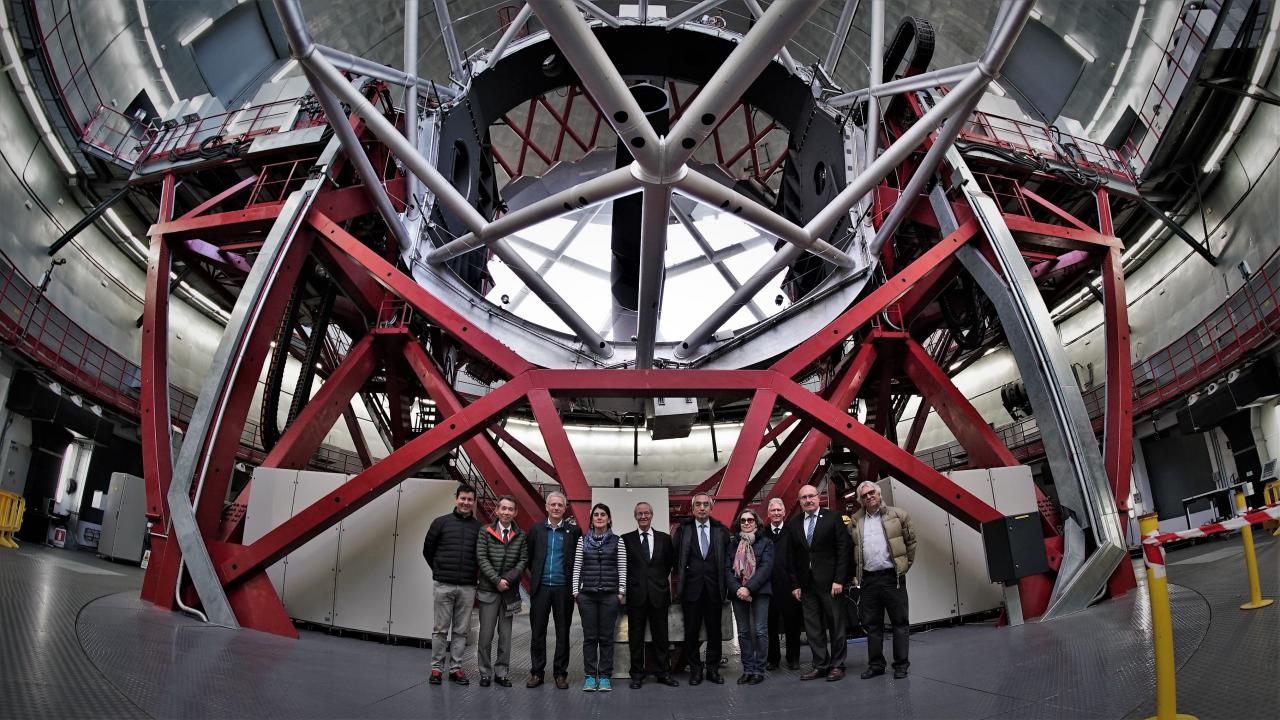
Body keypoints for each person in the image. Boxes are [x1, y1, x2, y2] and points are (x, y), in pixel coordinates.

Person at [849, 480, 917, 680]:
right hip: (869, 580)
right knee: (873, 625)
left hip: (892, 578)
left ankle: (901, 664)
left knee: (900, 622)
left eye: (872, 493)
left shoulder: (899, 515)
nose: (869, 496)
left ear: (879, 494)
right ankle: (876, 664)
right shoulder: (856, 521)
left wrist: (904, 567)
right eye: (864, 495)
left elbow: (911, 543)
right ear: (860, 500)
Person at [789, 484, 852, 682]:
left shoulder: (833, 518)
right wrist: (795, 584)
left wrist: (839, 580)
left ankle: (837, 665)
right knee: (813, 629)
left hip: (831, 584)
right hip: (807, 586)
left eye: (811, 496)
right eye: (803, 498)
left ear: (818, 497)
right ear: (799, 502)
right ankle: (820, 665)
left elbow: (844, 550)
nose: (808, 500)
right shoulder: (794, 524)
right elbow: (791, 557)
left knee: (836, 626)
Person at [422, 483, 482, 685]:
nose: (466, 503)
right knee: (440, 629)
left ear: (474, 502)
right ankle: (436, 669)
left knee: (460, 630)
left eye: (470, 499)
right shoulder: (440, 523)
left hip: (467, 587)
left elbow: (481, 557)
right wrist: (439, 570)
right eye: (463, 498)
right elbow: (427, 550)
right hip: (443, 585)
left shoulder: (479, 529)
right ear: (456, 499)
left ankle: (456, 668)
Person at [526, 490, 582, 690]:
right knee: (537, 632)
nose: (556, 508)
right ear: (546, 507)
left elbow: (579, 560)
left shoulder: (574, 532)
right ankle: (536, 673)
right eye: (553, 504)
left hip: (563, 589)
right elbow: (528, 557)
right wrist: (535, 579)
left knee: (563, 632)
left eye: (560, 505)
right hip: (541, 588)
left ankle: (560, 674)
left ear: (565, 508)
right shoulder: (536, 530)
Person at [621, 502, 680, 688]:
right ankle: (637, 674)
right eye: (639, 513)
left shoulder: (664, 539)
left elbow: (671, 563)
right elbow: (624, 566)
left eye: (646, 513)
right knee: (636, 637)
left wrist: (659, 580)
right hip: (636, 595)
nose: (643, 516)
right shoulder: (626, 539)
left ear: (652, 515)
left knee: (661, 637)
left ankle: (663, 673)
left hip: (659, 594)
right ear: (635, 516)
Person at [674, 492, 730, 685]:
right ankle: (695, 671)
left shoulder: (721, 531)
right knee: (691, 632)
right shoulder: (683, 531)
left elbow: (728, 561)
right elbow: (675, 560)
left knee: (715, 632)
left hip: (715, 590)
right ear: (693, 507)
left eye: (706, 504)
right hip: (691, 590)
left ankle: (713, 670)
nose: (702, 507)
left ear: (711, 507)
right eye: (698, 504)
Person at [572, 503, 627, 692]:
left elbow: (622, 567)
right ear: (592, 519)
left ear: (609, 519)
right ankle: (589, 676)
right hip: (587, 596)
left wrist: (620, 593)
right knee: (590, 638)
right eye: (596, 514)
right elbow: (577, 566)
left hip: (609, 596)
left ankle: (604, 677)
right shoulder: (582, 541)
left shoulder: (618, 541)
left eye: (603, 514)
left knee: (606, 638)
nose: (599, 517)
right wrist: (575, 592)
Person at [475, 496, 528, 688]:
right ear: (496, 511)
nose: (506, 512)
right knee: (486, 635)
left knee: (506, 636)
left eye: (510, 509)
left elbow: (523, 561)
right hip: (489, 591)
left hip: (510, 593)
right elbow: (481, 558)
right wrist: (497, 581)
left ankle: (502, 672)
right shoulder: (485, 531)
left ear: (515, 513)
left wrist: (508, 580)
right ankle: (485, 673)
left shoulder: (520, 535)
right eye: (503, 508)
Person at [725, 508, 773, 685]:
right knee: (744, 632)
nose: (746, 523)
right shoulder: (731, 544)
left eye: (750, 520)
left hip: (760, 592)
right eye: (743, 520)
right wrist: (738, 588)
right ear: (739, 523)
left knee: (760, 631)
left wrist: (749, 588)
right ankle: (748, 669)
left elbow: (766, 568)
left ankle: (759, 670)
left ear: (756, 522)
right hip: (738, 593)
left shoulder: (766, 542)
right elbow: (727, 569)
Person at [763, 497, 801, 671]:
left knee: (792, 623)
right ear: (768, 513)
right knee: (770, 624)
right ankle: (773, 659)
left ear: (784, 512)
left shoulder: (792, 531)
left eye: (779, 510)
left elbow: (797, 560)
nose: (776, 513)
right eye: (773, 510)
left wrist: (796, 585)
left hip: (789, 586)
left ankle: (793, 658)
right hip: (768, 586)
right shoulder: (762, 534)